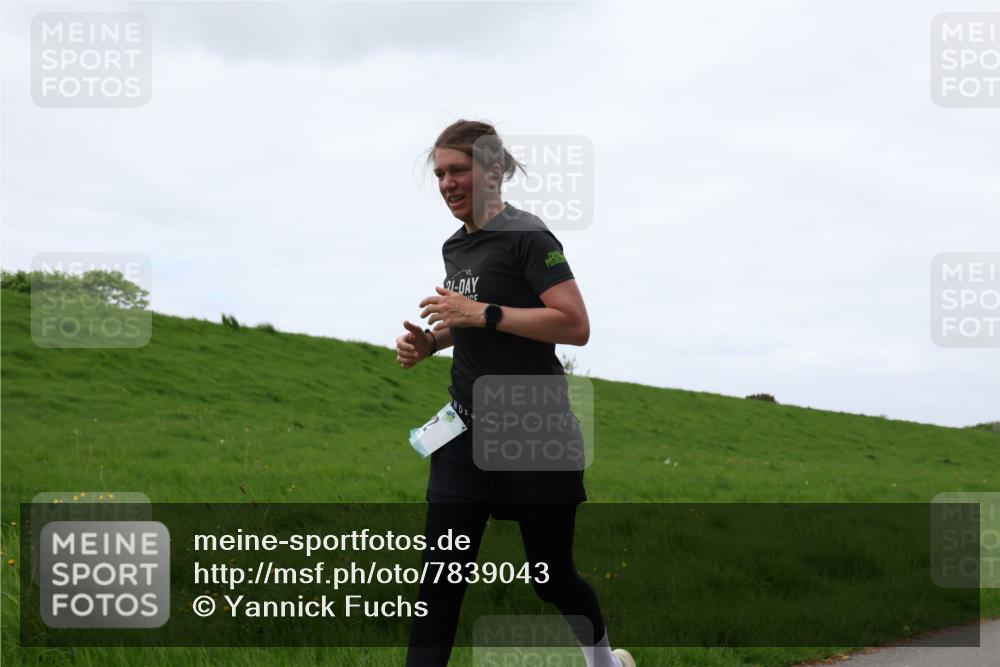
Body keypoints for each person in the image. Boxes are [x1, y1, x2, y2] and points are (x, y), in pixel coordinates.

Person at [395, 119, 634, 667]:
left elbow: (573, 324)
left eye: (459, 170)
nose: (448, 184)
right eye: (440, 174)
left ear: (494, 170)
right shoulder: (455, 248)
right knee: (440, 584)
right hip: (463, 431)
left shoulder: (530, 237)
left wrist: (484, 312)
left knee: (551, 579)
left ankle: (603, 662)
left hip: (535, 433)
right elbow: (472, 321)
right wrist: (433, 341)